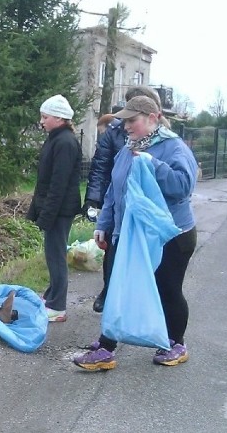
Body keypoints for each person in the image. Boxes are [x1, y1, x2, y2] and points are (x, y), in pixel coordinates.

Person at [73, 95, 198, 370]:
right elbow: (113, 190)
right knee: (119, 286)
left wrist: (153, 164)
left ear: (152, 119)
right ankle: (105, 348)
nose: (125, 126)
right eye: (124, 121)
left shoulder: (174, 149)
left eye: (132, 120)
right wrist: (104, 225)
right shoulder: (128, 150)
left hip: (171, 236)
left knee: (167, 290)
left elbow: (182, 187)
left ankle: (176, 343)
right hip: (129, 233)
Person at [83, 86, 170, 313]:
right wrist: (94, 201)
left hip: (144, 215)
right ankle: (110, 296)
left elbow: (177, 184)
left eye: (133, 116)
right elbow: (103, 167)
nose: (127, 122)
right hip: (118, 204)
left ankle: (137, 309)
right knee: (112, 253)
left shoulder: (166, 141)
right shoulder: (116, 133)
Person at [26, 94, 82, 323]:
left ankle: (58, 306)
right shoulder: (55, 138)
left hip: (61, 210)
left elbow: (59, 184)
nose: (41, 121)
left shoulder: (65, 142)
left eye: (45, 117)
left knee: (56, 256)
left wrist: (47, 215)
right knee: (52, 254)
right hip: (54, 208)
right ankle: (51, 296)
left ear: (59, 118)